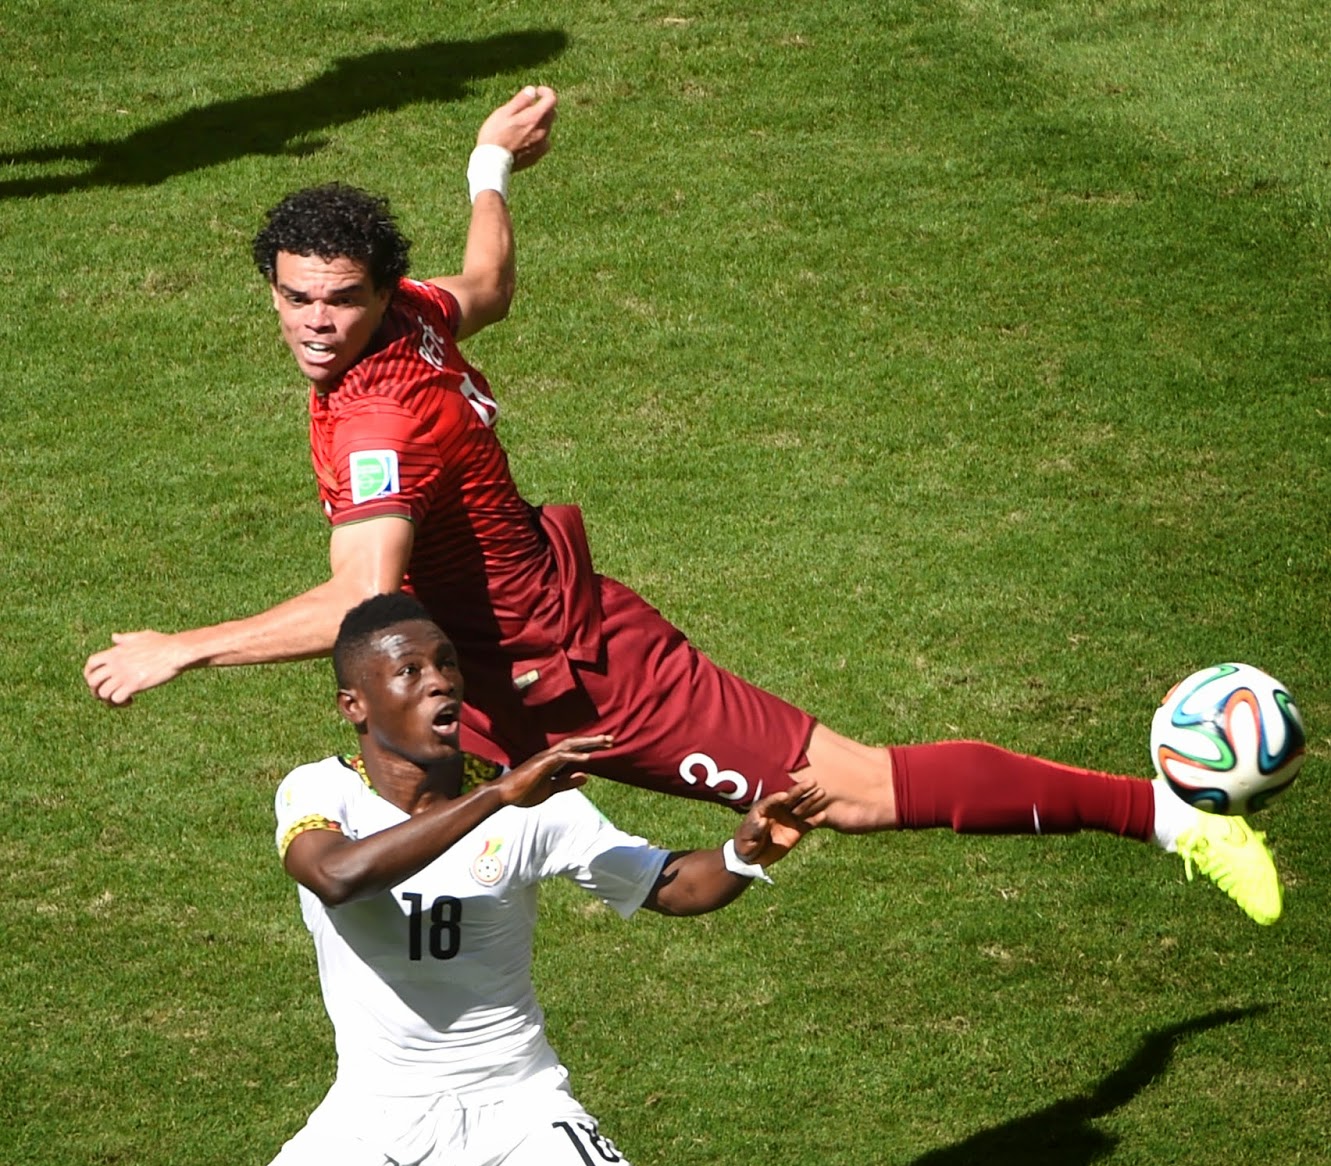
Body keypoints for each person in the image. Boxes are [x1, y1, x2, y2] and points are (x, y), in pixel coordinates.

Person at [81, 86, 1282, 928]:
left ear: (381, 294)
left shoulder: (375, 419)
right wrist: (487, 169)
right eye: (294, 299)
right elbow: (487, 279)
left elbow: (360, 595)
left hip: (578, 674)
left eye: (339, 301)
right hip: (468, 679)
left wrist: (181, 649)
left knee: (849, 790)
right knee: (384, 878)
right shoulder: (414, 320)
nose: (313, 324)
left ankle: (1174, 820)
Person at [73, 592, 928, 1166]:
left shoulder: (537, 809)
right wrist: (498, 795)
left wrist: (746, 849)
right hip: (371, 1129)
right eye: (409, 670)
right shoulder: (320, 791)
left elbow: (671, 885)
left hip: (520, 1116)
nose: (439, 679)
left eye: (446, 663)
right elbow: (336, 874)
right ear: (355, 704)